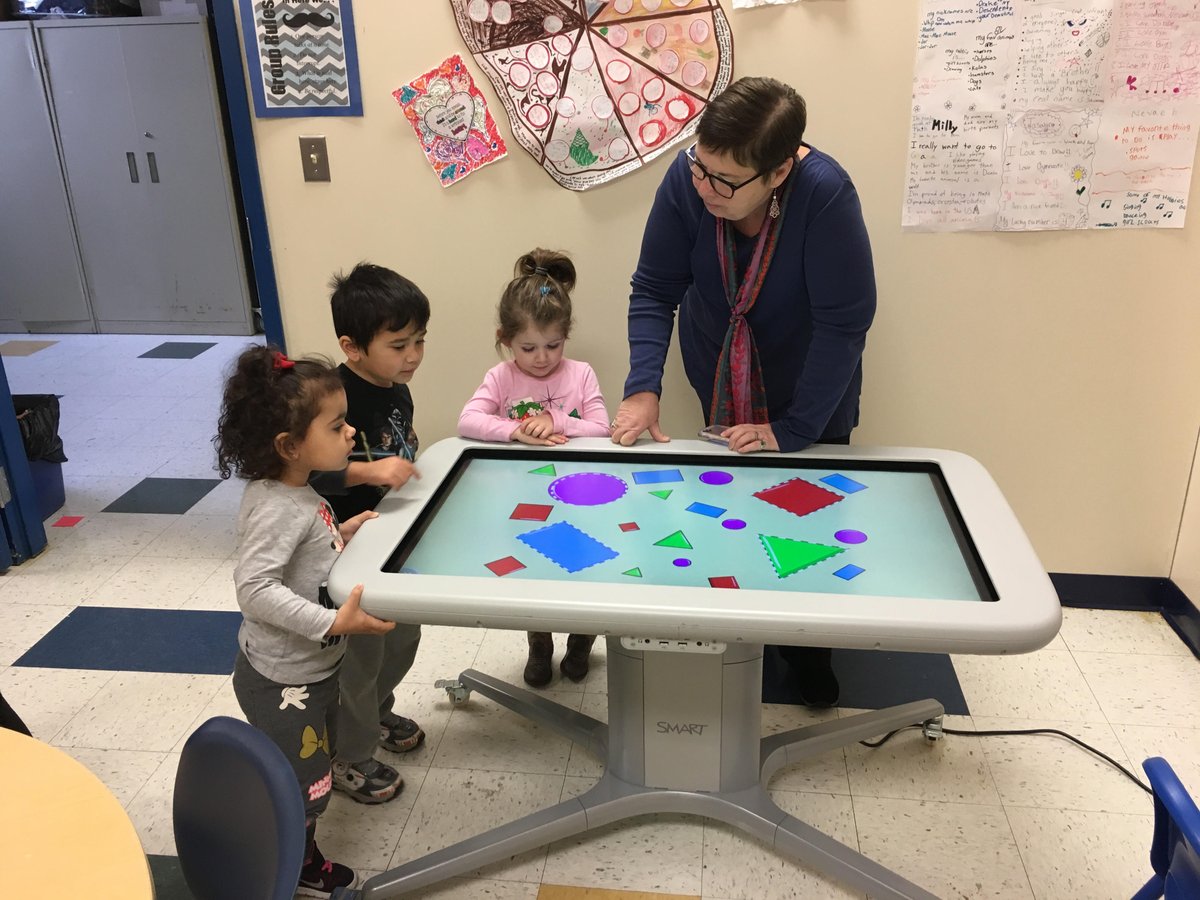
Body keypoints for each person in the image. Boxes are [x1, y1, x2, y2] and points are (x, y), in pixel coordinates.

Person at [610, 76, 877, 707]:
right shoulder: (688, 179)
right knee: (732, 510)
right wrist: (643, 387)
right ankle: (738, 637)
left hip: (810, 384)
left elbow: (846, 323)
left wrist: (796, 429)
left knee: (805, 521)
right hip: (722, 371)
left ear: (781, 169)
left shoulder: (826, 195)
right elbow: (653, 289)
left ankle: (808, 649)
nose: (706, 189)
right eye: (701, 168)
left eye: (726, 182)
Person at [215, 345, 397, 898]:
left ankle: (306, 811)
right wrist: (333, 622)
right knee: (304, 783)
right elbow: (255, 589)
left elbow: (303, 560)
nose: (350, 434)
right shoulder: (276, 507)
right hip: (283, 679)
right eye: (338, 425)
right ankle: (297, 861)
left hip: (310, 670)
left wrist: (342, 535)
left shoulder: (298, 492)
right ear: (289, 445)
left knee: (316, 757)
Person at [458, 249, 610, 686]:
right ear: (505, 338)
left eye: (553, 345)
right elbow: (467, 420)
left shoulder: (580, 374)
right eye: (528, 347)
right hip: (522, 495)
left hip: (582, 496)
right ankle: (539, 644)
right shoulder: (501, 377)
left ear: (566, 336)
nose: (542, 358)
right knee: (533, 570)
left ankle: (581, 641)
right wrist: (514, 431)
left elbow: (601, 426)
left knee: (586, 568)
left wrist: (559, 420)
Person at [311, 263, 430, 806]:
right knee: (358, 661)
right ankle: (346, 756)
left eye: (419, 341)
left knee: (403, 637)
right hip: (347, 551)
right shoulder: (334, 400)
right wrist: (367, 471)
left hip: (391, 540)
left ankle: (375, 714)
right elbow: (306, 472)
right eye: (399, 343)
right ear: (352, 346)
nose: (413, 356)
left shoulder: (394, 389)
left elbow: (399, 443)